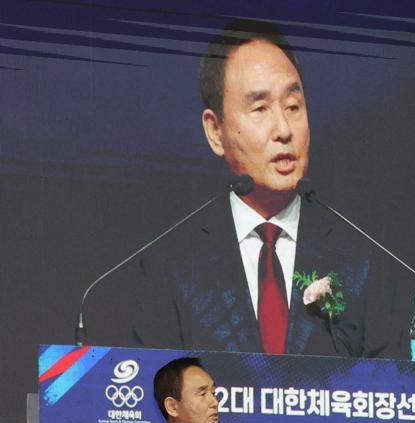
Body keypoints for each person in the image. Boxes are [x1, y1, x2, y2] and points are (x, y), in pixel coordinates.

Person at [126, 19, 395, 356]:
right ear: (215, 131)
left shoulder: (361, 261)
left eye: (293, 107)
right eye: (260, 109)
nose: (284, 129)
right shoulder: (170, 267)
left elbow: (395, 392)